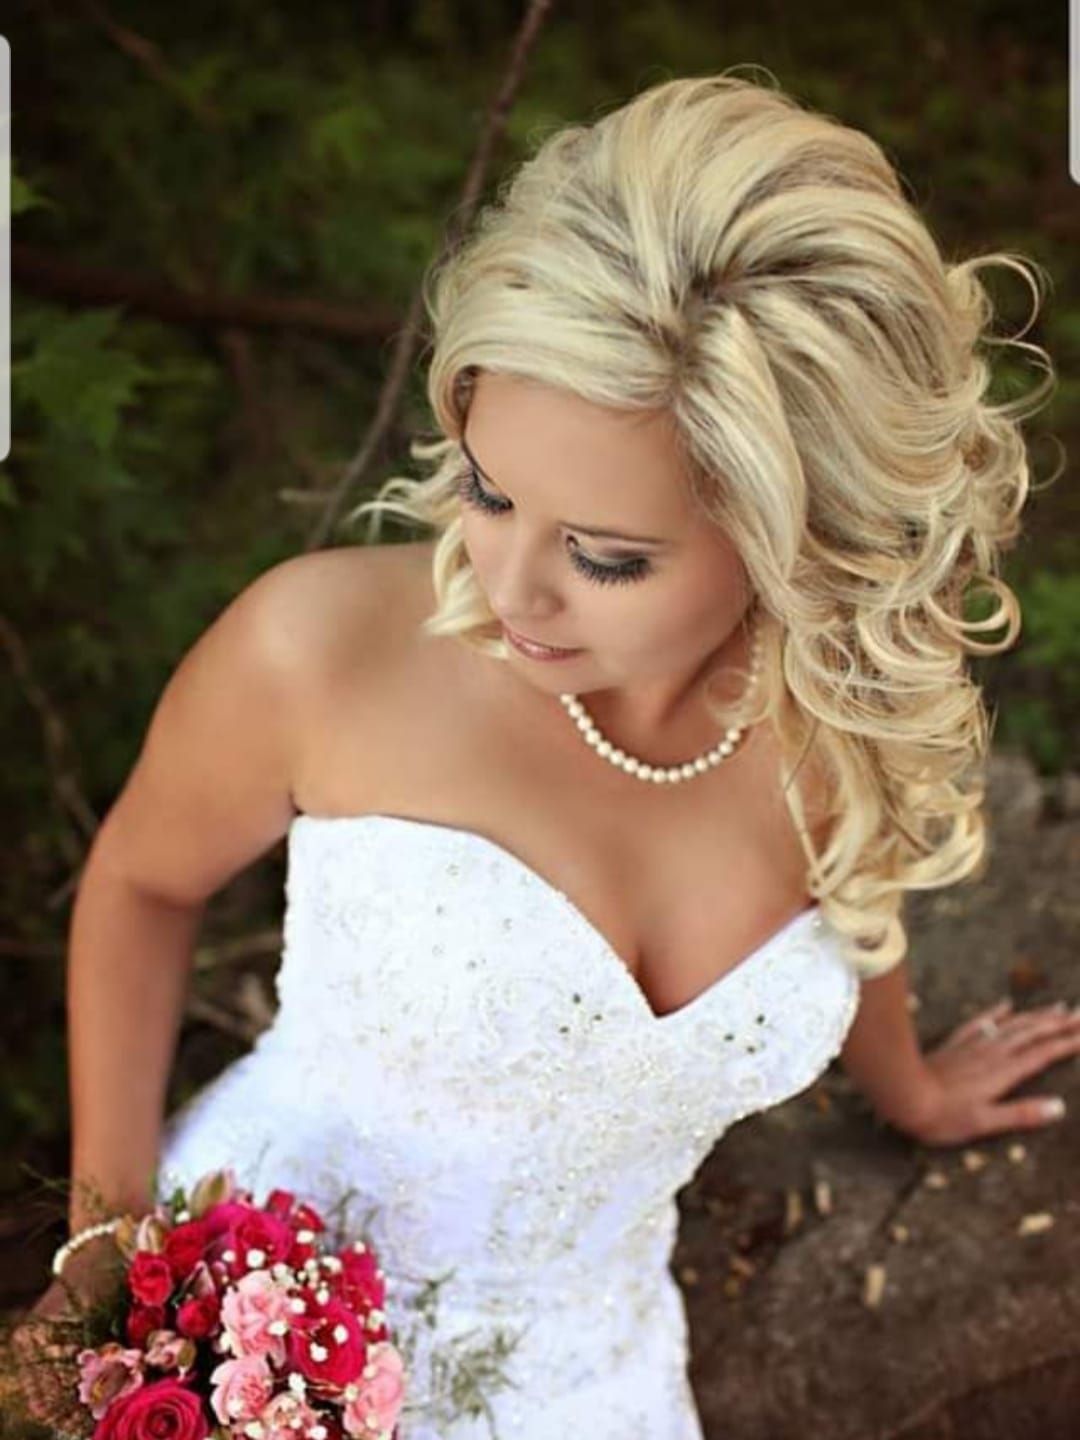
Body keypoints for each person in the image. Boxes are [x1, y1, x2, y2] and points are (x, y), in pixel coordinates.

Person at [14, 71, 1075, 1439]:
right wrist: (108, 1236)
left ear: (794, 539)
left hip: (592, 1377)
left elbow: (854, 902)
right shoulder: (316, 651)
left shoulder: (839, 713)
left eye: (607, 556)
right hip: (241, 1333)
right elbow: (142, 885)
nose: (506, 588)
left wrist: (911, 1086)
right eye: (488, 487)